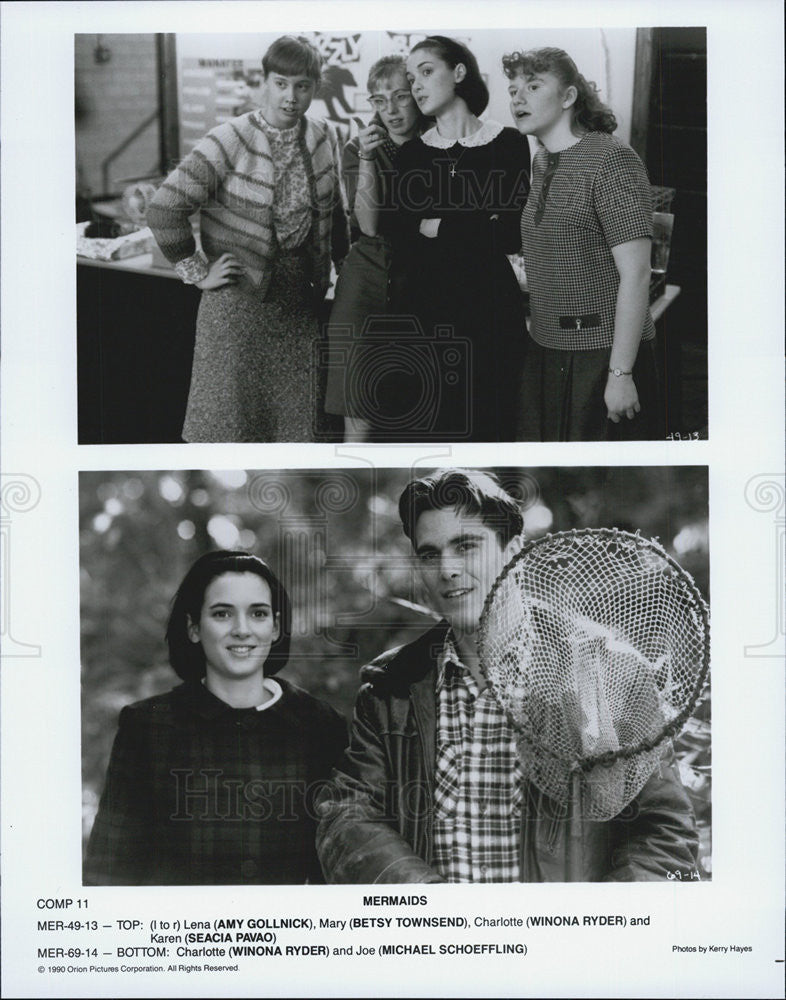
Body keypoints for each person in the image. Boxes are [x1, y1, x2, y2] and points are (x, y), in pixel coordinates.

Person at [316, 469, 699, 883]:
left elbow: (665, 832)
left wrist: (593, 928)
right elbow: (347, 813)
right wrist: (425, 903)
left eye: (465, 546)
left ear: (513, 551)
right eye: (430, 554)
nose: (447, 569)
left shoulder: (608, 670)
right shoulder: (392, 687)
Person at [84, 550, 347, 885]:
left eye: (258, 614)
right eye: (222, 614)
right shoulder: (147, 727)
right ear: (194, 627)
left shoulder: (320, 726)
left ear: (276, 627)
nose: (242, 630)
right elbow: (108, 869)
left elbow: (337, 868)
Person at [147, 35, 349, 443]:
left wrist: (343, 271)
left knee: (295, 433)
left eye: (302, 86)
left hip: (299, 307)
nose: (290, 96)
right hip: (237, 307)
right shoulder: (230, 137)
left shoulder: (326, 136)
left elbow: (336, 215)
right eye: (280, 83)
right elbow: (164, 208)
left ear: (315, 88)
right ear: (265, 81)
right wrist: (197, 271)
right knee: (229, 429)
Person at [504, 47, 661, 441]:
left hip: (602, 356)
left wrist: (621, 374)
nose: (517, 97)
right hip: (545, 349)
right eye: (513, 89)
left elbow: (637, 274)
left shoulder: (611, 159)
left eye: (533, 85)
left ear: (569, 97)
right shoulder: (542, 160)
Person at [386, 37, 530, 441]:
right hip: (426, 312)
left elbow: (508, 233)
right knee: (431, 431)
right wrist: (477, 219)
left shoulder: (510, 144)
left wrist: (438, 225)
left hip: (491, 311)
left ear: (459, 73)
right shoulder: (412, 155)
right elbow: (403, 236)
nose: (416, 86)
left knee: (489, 426)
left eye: (427, 72)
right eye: (412, 78)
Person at [324, 55, 427, 442]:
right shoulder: (358, 148)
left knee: (414, 412)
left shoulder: (437, 141)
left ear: (417, 95)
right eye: (379, 101)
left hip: (418, 289)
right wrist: (367, 158)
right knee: (360, 413)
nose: (391, 110)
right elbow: (368, 223)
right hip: (366, 287)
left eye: (401, 97)